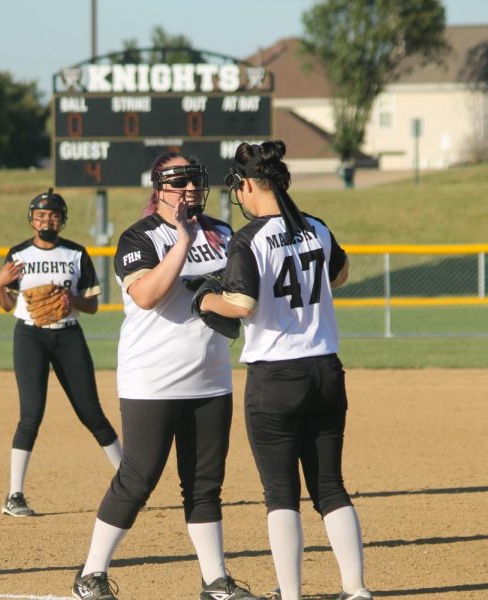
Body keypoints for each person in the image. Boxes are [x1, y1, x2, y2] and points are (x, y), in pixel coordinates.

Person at [71, 153, 262, 600]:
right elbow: (147, 296)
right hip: (152, 379)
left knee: (204, 482)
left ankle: (215, 580)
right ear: (159, 188)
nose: (191, 190)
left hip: (211, 377)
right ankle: (91, 574)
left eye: (196, 181)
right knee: (137, 477)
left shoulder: (222, 232)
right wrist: (182, 241)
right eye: (180, 182)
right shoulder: (139, 236)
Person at [199, 141, 371, 600]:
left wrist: (204, 298)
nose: (239, 196)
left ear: (251, 184)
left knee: (280, 494)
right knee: (330, 486)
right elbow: (341, 274)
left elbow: (240, 304)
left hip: (275, 376)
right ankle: (355, 589)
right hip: (325, 369)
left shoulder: (248, 238)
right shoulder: (315, 226)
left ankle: (291, 594)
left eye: (239, 187)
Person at [0, 188, 122, 517]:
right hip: (30, 336)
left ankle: (130, 480)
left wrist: (71, 301)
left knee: (91, 412)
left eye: (52, 215)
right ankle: (14, 495)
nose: (46, 220)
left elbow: (92, 305)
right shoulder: (18, 254)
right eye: (40, 215)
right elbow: (8, 306)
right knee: (31, 415)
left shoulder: (76, 254)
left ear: (62, 220)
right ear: (31, 219)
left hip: (69, 336)